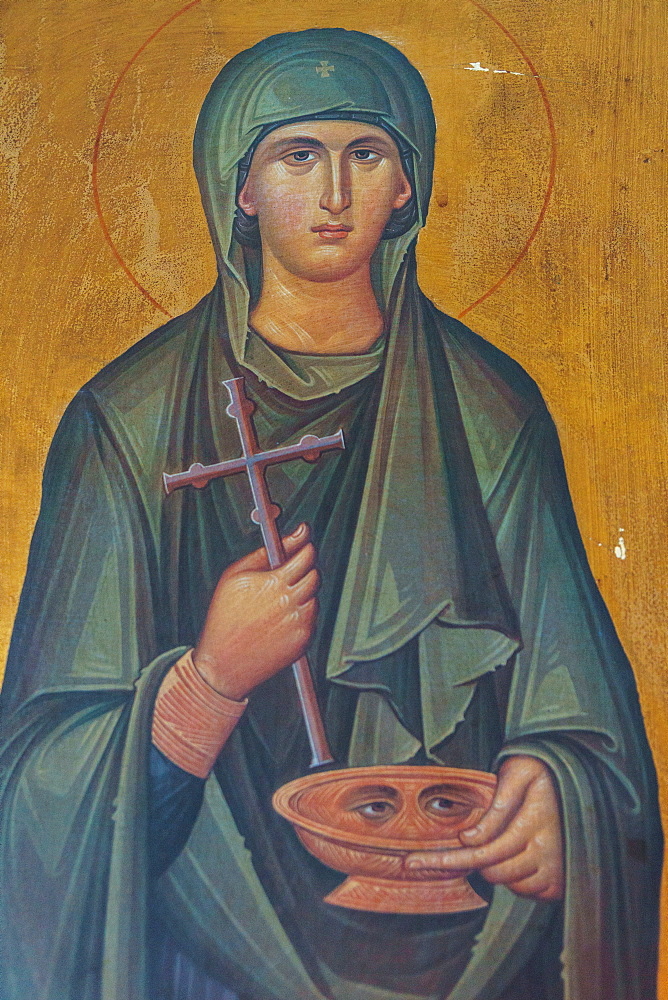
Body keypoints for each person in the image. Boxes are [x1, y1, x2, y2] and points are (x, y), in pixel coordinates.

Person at [0, 27, 661, 1000]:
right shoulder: (128, 426)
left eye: (366, 153)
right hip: (207, 951)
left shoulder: (491, 415)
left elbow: (590, 737)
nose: (334, 192)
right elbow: (33, 792)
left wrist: (559, 802)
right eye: (296, 154)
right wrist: (207, 682)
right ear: (240, 184)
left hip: (458, 947)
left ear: (408, 185)